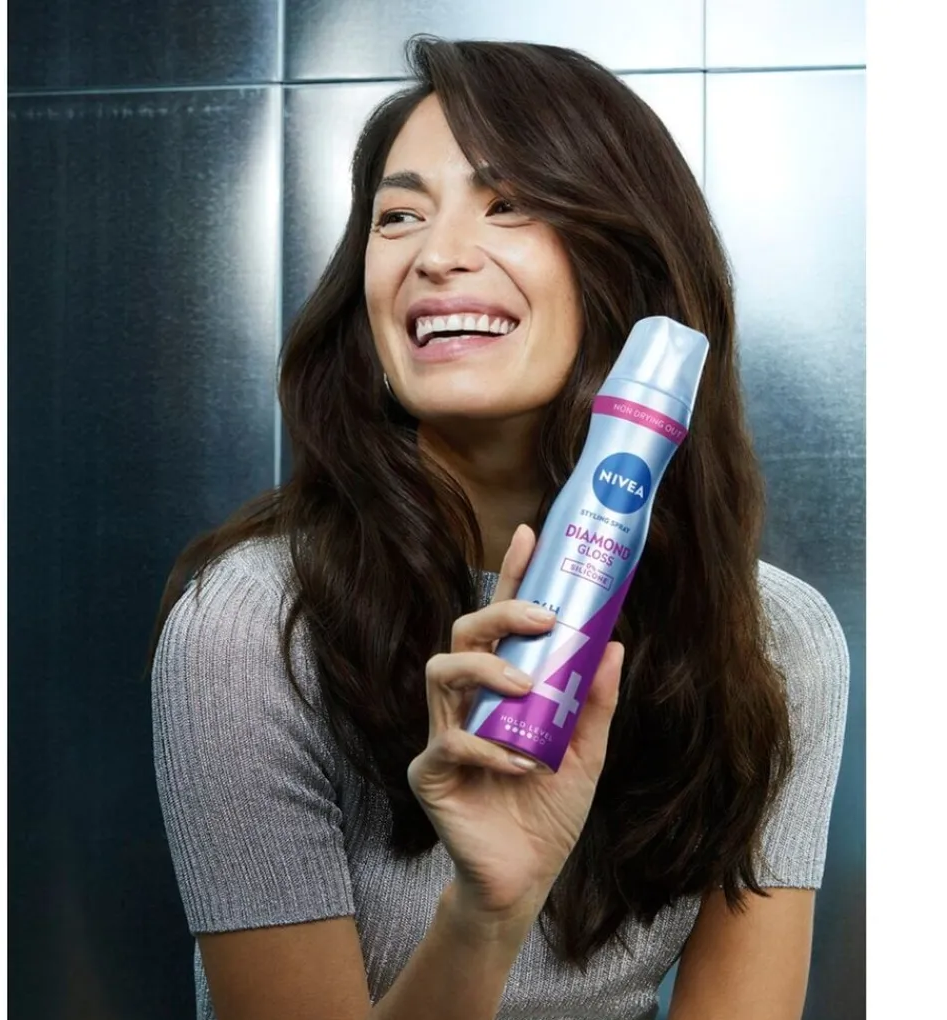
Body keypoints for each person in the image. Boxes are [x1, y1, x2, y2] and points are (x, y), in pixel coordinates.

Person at [150, 35, 849, 1020]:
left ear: (625, 263)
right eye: (398, 216)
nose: (435, 255)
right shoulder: (254, 627)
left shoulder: (776, 640)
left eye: (508, 203)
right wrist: (487, 915)